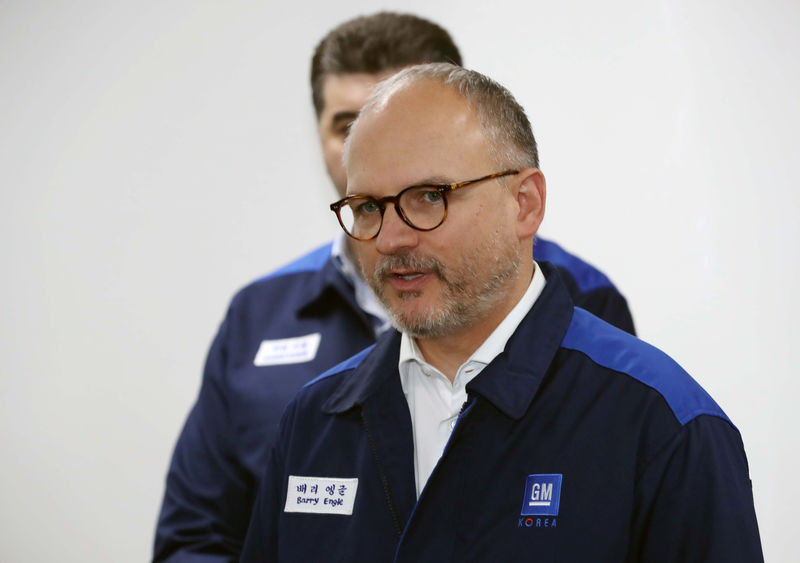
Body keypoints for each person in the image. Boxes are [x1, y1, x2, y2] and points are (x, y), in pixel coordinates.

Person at [154, 13, 634, 562]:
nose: (372, 138)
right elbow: (196, 535)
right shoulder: (259, 314)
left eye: (401, 113)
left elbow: (614, 510)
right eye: (345, 123)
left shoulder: (577, 298)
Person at [239, 63, 763, 562]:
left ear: (525, 203)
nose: (391, 237)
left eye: (428, 196)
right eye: (368, 207)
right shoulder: (313, 423)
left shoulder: (662, 423)